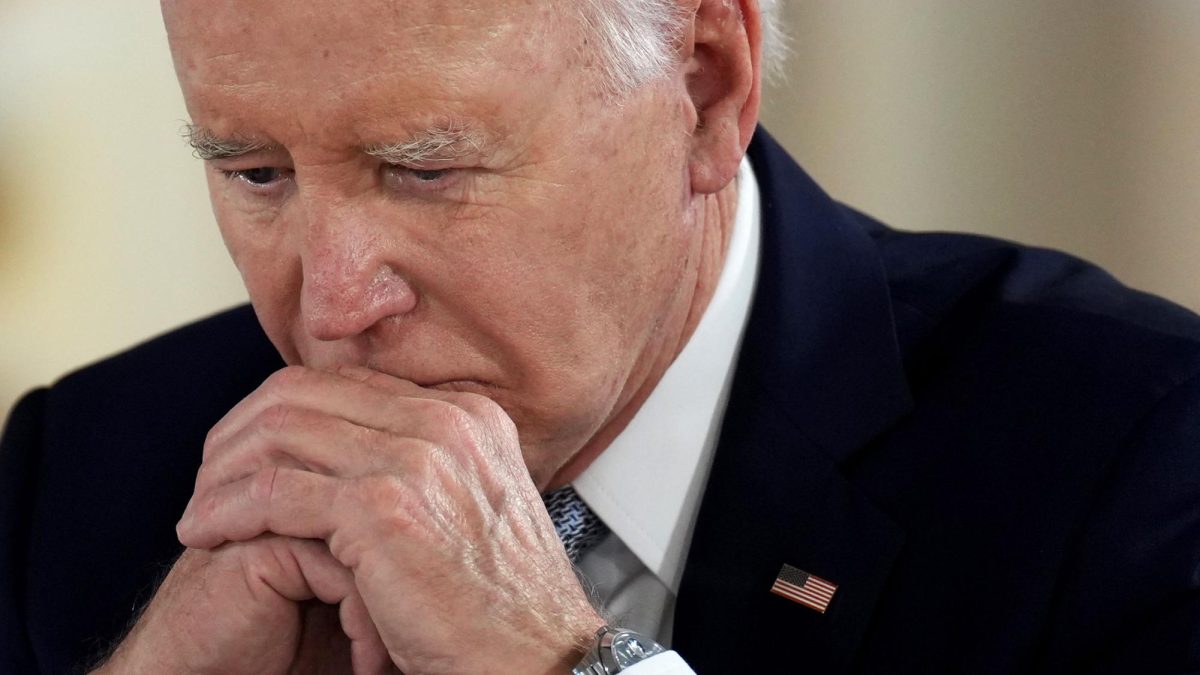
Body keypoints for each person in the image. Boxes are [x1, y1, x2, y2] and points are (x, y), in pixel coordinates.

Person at [2, 1, 1198, 673]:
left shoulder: (1133, 459)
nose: (328, 305)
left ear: (707, 88)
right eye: (257, 174)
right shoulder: (86, 470)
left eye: (423, 170)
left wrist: (562, 669)